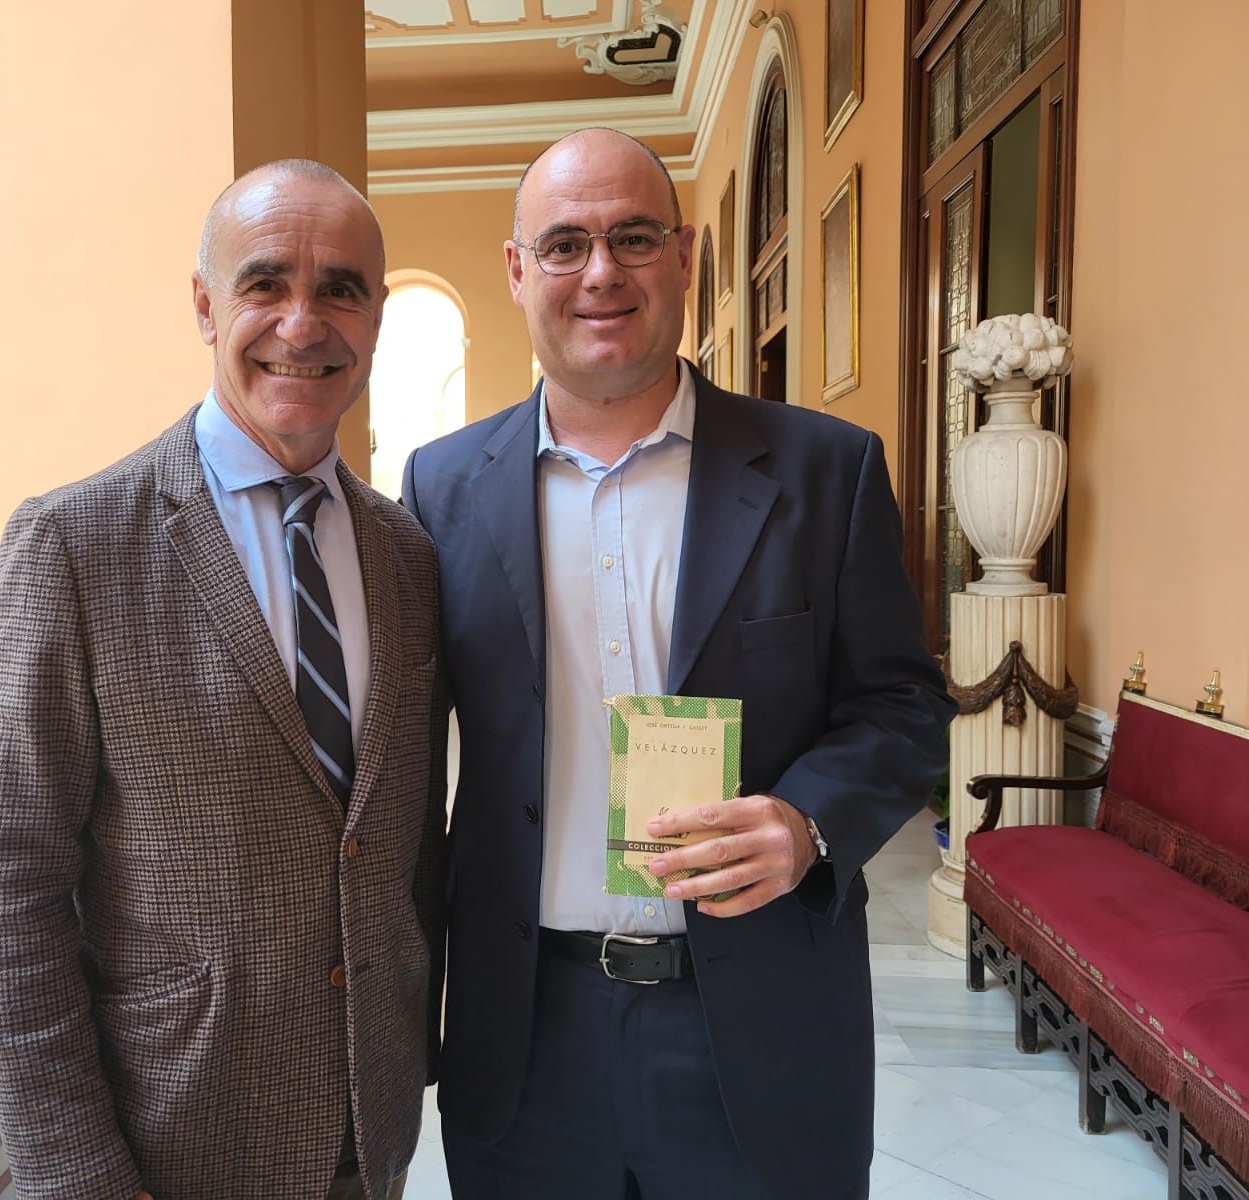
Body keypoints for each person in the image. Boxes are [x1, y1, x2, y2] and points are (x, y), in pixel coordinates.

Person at [402, 128, 955, 1200]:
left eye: (634, 237)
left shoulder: (825, 470)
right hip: (527, 1035)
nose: (600, 272)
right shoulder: (441, 490)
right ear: (516, 270)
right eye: (564, 244)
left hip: (758, 1024)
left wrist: (807, 821)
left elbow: (902, 702)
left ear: (687, 255)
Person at [0, 158, 447, 1200]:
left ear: (376, 316)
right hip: (171, 1139)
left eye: (341, 290)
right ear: (203, 304)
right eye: (265, 283)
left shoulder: (407, 554)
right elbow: (10, 889)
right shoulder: (73, 545)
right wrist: (79, 1177)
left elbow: (398, 844)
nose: (303, 324)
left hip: (371, 1134)